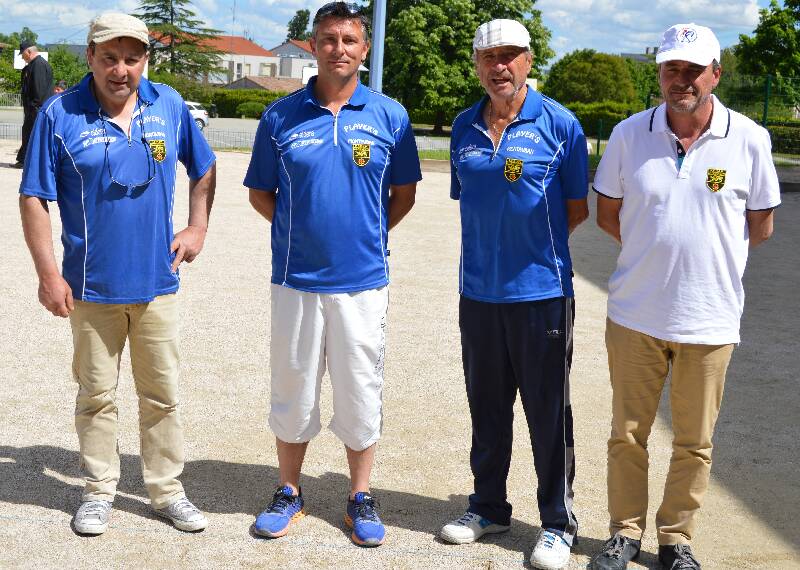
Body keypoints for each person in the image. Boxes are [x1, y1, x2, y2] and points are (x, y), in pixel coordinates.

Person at [589, 24, 780, 570]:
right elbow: (609, 214)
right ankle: (623, 533)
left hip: (711, 317)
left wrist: (700, 256)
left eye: (693, 70)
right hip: (635, 314)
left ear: (716, 74)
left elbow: (760, 224)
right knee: (628, 435)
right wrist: (656, 252)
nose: (682, 80)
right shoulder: (629, 135)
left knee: (694, 443)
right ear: (659, 74)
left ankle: (675, 539)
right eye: (671, 68)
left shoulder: (749, 138)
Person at [19, 13, 217, 536]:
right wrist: (47, 274)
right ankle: (99, 491)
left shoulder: (169, 105)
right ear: (90, 57)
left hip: (156, 283)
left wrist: (197, 226)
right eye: (109, 57)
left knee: (161, 395)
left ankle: (166, 491)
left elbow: (204, 168)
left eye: (132, 58)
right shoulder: (60, 114)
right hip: (89, 287)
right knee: (96, 395)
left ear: (144, 60)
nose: (120, 69)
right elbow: (34, 197)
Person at [243, 1, 420, 548]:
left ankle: (360, 495)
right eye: (328, 39)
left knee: (360, 387)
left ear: (364, 50)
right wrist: (304, 231)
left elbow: (404, 194)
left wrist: (361, 235)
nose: (338, 48)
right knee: (293, 386)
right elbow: (260, 193)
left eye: (349, 40)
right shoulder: (280, 116)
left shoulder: (389, 115)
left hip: (363, 281)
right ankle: (289, 490)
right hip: (296, 277)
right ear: (312, 46)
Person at [439, 18, 589, 570]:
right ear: (477, 65)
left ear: (528, 60)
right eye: (487, 56)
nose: (498, 65)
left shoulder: (561, 124)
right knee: (487, 407)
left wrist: (529, 258)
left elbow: (576, 211)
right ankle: (488, 507)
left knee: (548, 412)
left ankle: (557, 522)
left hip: (542, 294)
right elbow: (471, 200)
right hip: (478, 294)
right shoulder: (463, 126)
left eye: (509, 55)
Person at [15, 40, 53, 168]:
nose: (22, 57)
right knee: (28, 134)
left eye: (23, 54)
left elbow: (39, 90)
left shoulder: (38, 65)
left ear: (29, 51)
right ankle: (24, 159)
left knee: (34, 136)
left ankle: (29, 162)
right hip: (33, 109)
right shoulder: (33, 65)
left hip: (36, 110)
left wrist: (34, 109)